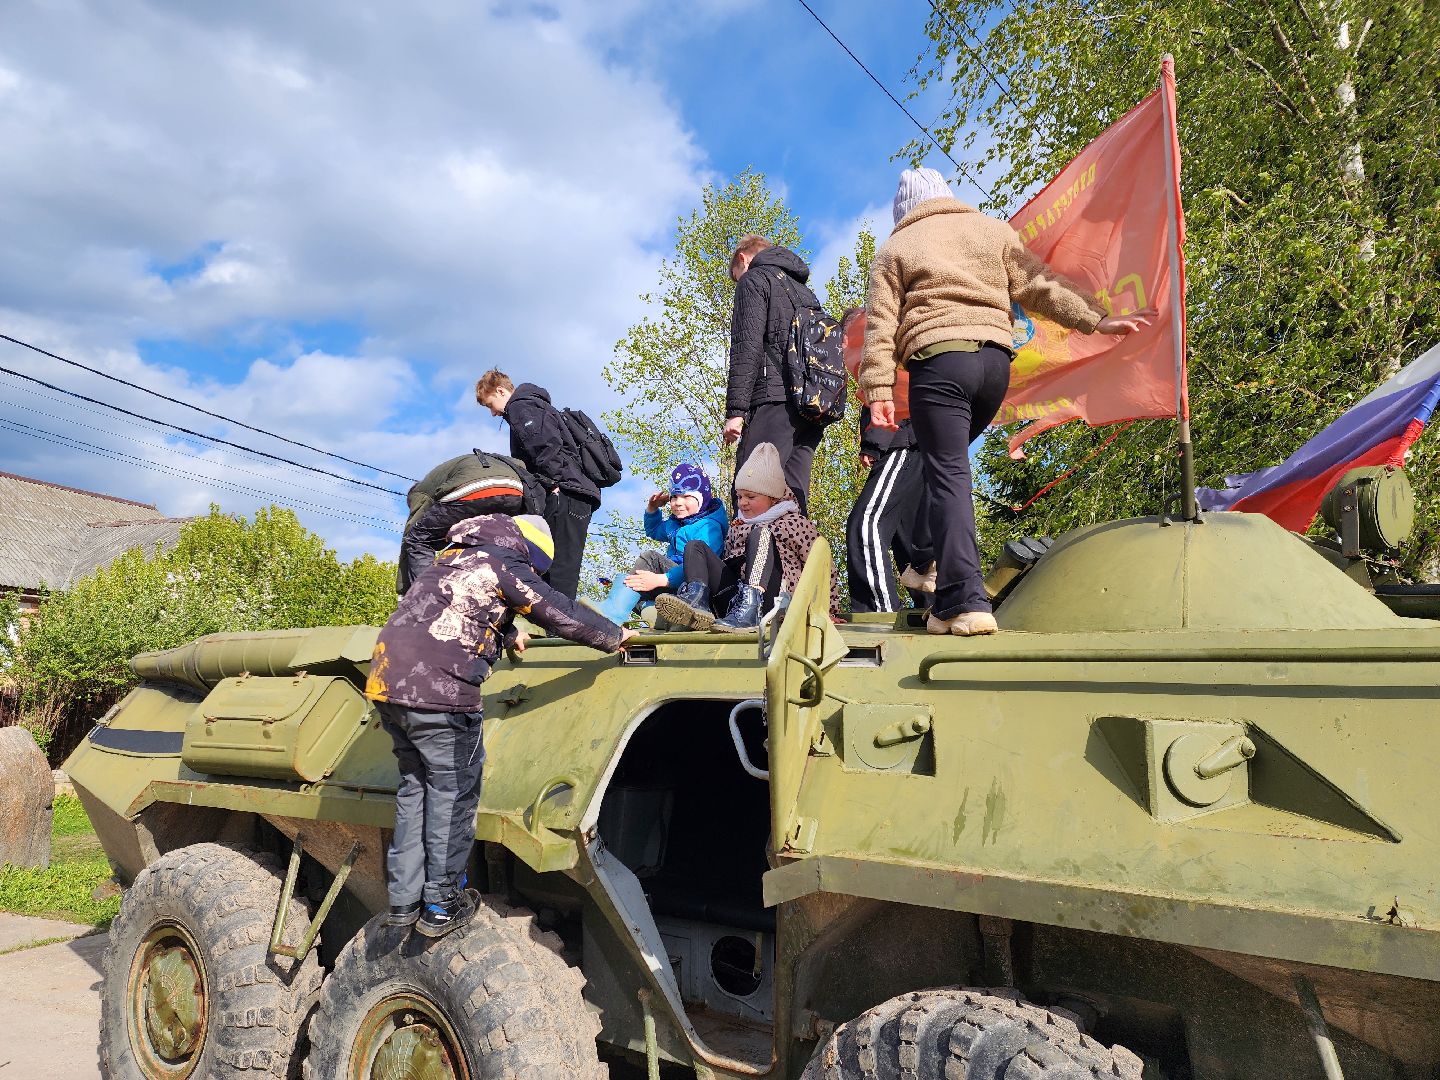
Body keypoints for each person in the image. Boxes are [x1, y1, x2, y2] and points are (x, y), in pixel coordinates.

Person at [860, 167, 1154, 636]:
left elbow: (881, 327)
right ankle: (931, 572)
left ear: (903, 213)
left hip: (940, 364)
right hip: (993, 369)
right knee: (941, 465)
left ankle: (964, 599)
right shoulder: (991, 230)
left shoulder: (896, 248)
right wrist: (1096, 319)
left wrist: (877, 391)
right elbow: (1040, 284)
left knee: (948, 474)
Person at [365, 513, 635, 938]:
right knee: (453, 794)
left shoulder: (453, 556)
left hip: (387, 682)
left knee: (416, 790)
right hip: (439, 692)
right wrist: (614, 635)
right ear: (529, 551)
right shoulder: (503, 560)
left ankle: (403, 900)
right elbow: (555, 610)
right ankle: (441, 903)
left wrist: (507, 631)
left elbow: (455, 606)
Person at [656, 443, 837, 633]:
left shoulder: (794, 523)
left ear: (773, 498)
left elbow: (823, 567)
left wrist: (829, 610)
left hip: (774, 601)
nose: (742, 503)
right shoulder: (738, 525)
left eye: (750, 497)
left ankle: (752, 608)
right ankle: (697, 601)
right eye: (739, 496)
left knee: (760, 534)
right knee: (695, 547)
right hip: (735, 602)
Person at [839, 306, 935, 613]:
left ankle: (877, 611)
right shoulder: (897, 343)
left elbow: (887, 395)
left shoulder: (876, 347)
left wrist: (873, 444)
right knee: (909, 538)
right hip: (919, 443)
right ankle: (934, 608)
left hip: (900, 442)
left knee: (865, 524)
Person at [475, 369, 599, 599]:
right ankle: (557, 619)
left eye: (490, 404)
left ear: (500, 391)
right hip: (575, 492)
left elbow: (545, 446)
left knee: (557, 571)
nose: (492, 413)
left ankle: (559, 621)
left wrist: (554, 484)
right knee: (559, 568)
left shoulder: (521, 406)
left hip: (565, 492)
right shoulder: (534, 404)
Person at [724, 234, 825, 514]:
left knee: (749, 490)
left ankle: (751, 545)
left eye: (736, 275)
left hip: (773, 398)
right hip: (811, 403)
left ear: (743, 259)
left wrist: (736, 411)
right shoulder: (805, 292)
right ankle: (795, 543)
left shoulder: (754, 279)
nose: (739, 281)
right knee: (792, 497)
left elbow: (746, 346)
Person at [592, 463, 729, 625]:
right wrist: (652, 509)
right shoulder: (676, 524)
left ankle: (612, 612)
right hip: (675, 582)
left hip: (696, 586)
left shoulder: (708, 527)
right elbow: (654, 530)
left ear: (702, 498)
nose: (678, 502)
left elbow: (702, 568)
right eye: (674, 497)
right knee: (636, 584)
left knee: (650, 559)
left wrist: (662, 579)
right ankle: (657, 615)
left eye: (686, 496)